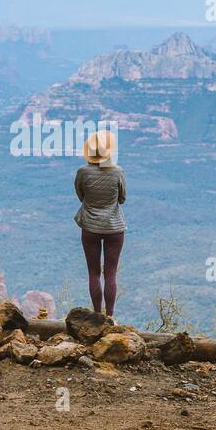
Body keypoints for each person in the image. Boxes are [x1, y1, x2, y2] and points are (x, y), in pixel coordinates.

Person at [74, 129, 126, 317]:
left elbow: (81, 195)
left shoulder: (83, 172)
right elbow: (122, 198)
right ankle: (110, 316)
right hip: (114, 228)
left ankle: (97, 315)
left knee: (93, 273)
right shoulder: (118, 172)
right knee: (110, 273)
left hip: (90, 227)